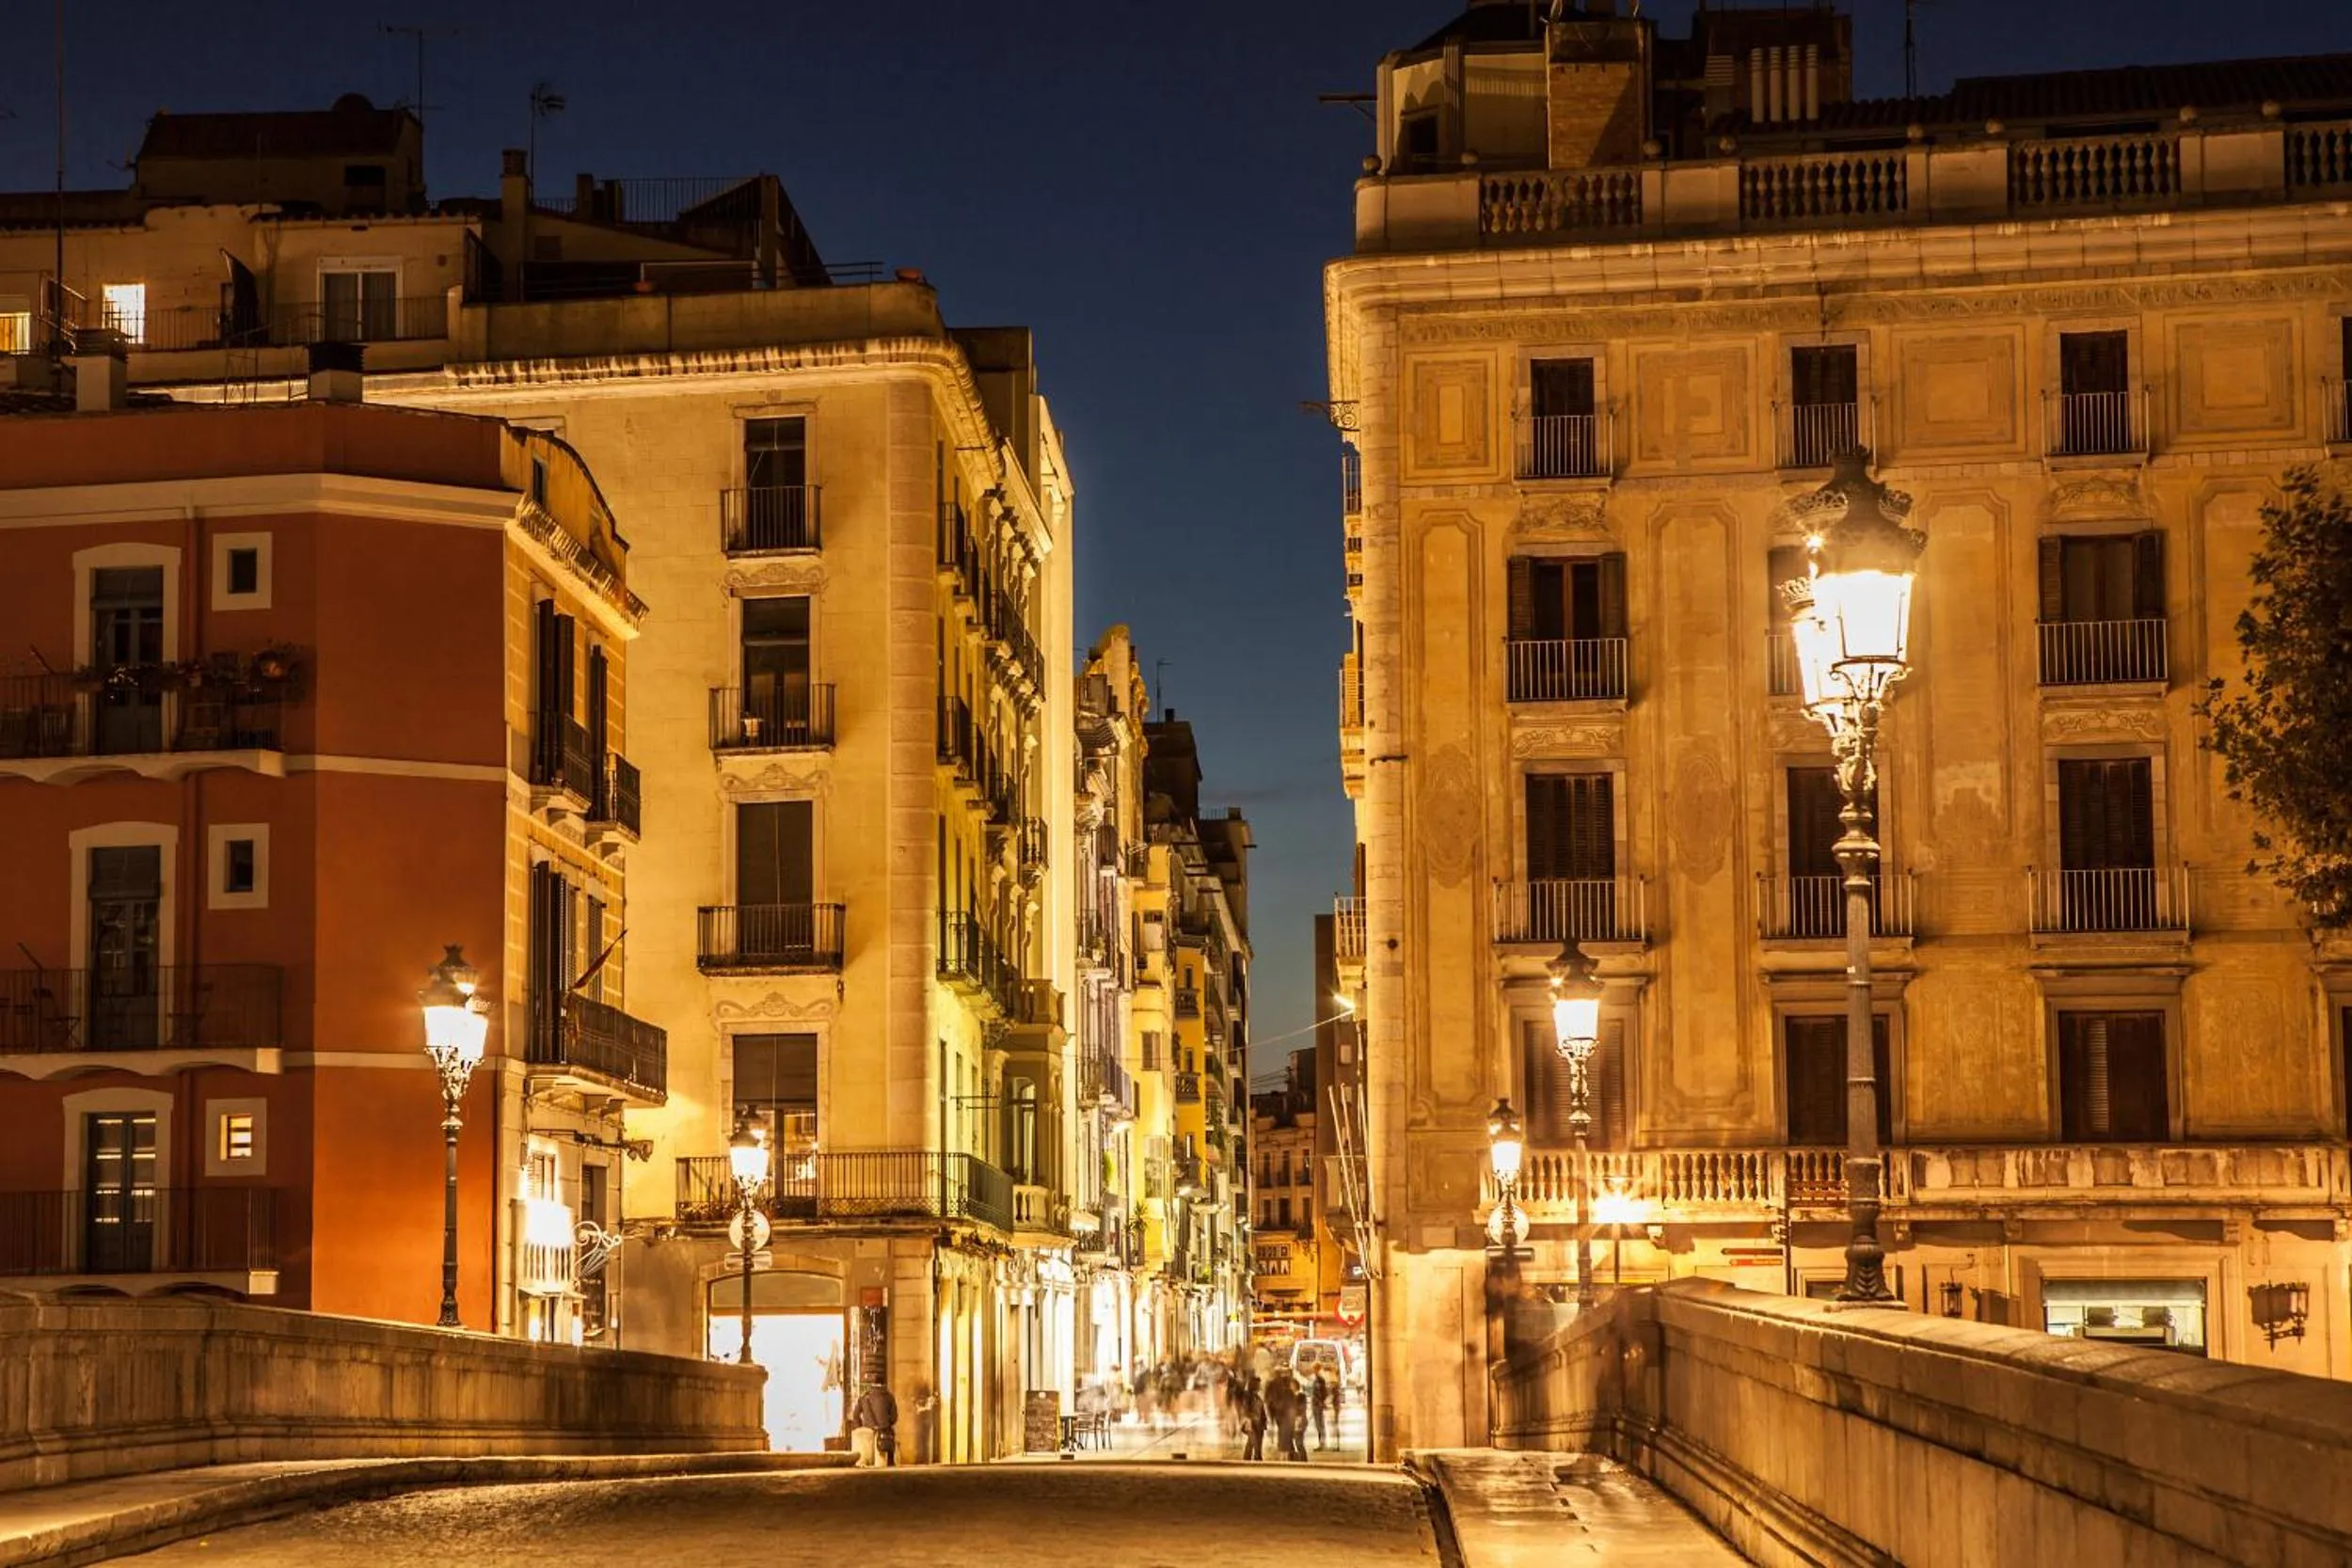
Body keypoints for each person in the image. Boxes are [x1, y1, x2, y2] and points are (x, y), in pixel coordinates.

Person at [851, 1380, 899, 1467]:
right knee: (884, 1463)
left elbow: (855, 1415)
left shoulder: (864, 1397)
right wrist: (886, 1424)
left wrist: (860, 1427)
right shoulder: (889, 1397)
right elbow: (894, 1417)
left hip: (868, 1431)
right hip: (884, 1433)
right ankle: (888, 1461)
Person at [1239, 1374, 1267, 1461]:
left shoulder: (1257, 1397)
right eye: (1258, 1384)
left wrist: (1264, 1420)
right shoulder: (1247, 1396)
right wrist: (1252, 1417)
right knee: (1255, 1442)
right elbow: (1245, 1410)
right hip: (1251, 1423)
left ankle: (1249, 1459)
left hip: (1259, 1424)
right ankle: (1257, 1458)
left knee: (1253, 1443)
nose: (1259, 1386)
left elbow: (1262, 1410)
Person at [1310, 1368, 1331, 1450]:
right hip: (1316, 1404)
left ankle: (1322, 1443)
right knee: (1318, 1424)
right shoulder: (1316, 1380)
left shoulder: (1320, 1380)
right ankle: (1321, 1443)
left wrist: (1321, 1402)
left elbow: (1323, 1392)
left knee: (1320, 1424)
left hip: (1318, 1405)